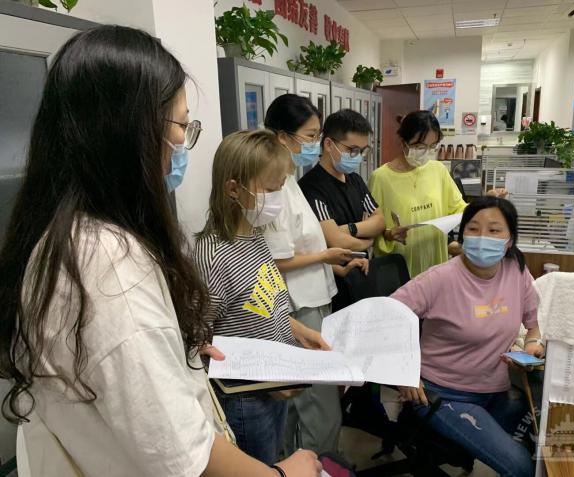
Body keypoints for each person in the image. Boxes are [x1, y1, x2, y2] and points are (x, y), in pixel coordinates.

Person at [0, 26, 321, 477]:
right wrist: (284, 474)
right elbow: (183, 455)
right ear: (130, 132)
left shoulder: (70, 238)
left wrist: (174, 350)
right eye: (181, 126)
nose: (182, 145)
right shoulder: (110, 271)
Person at [193, 129, 330, 466]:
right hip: (247, 399)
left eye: (281, 187)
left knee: (274, 459)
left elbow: (265, 307)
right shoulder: (213, 256)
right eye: (270, 189)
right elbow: (199, 343)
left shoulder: (255, 235)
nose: (277, 198)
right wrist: (263, 382)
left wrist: (302, 332)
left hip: (274, 386)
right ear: (233, 189)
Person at [391, 197, 543, 477]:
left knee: (546, 437)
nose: (483, 237)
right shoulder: (438, 279)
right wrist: (402, 373)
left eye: (494, 230)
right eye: (473, 229)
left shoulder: (516, 271)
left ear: (509, 239)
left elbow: (533, 327)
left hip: (497, 390)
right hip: (443, 394)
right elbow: (382, 319)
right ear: (461, 236)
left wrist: (532, 345)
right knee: (522, 467)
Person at [263, 94, 357, 455]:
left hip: (315, 298)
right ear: (282, 136)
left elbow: (302, 247)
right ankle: (317, 462)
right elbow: (277, 260)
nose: (316, 144)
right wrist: (325, 255)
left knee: (310, 402)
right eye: (311, 135)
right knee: (317, 404)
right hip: (298, 305)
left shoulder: (289, 179)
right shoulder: (273, 188)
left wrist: (331, 264)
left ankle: (311, 460)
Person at [299, 109, 403, 309]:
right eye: (352, 150)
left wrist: (350, 229)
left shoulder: (355, 179)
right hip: (334, 285)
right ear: (329, 144)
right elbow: (336, 242)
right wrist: (368, 240)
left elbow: (379, 221)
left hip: (363, 275)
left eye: (363, 151)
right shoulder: (311, 187)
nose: (358, 157)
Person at [369, 111, 466, 277]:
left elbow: (459, 207)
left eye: (432, 146)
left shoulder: (438, 170)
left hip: (435, 259)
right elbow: (373, 228)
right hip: (399, 265)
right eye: (420, 147)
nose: (426, 152)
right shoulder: (381, 178)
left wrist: (485, 205)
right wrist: (390, 234)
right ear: (403, 142)